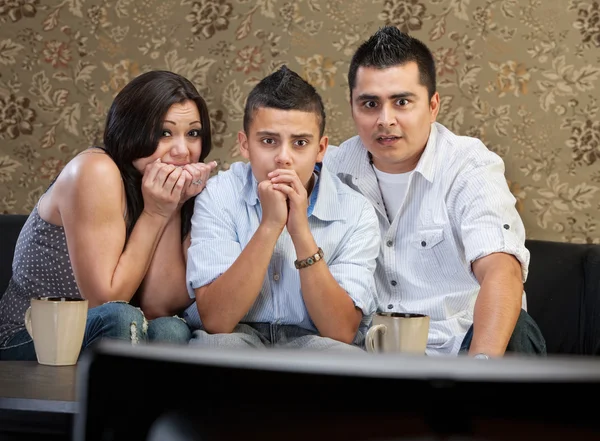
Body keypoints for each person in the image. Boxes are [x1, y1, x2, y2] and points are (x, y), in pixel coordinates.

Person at [323, 26, 546, 358]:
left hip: (464, 349)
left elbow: (502, 270)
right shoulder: (330, 168)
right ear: (352, 106)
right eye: (370, 104)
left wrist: (477, 373)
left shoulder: (469, 165)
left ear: (433, 106)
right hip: (369, 355)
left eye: (402, 102)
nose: (385, 120)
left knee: (518, 329)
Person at [0, 70, 217, 361]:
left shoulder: (167, 191)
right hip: (29, 338)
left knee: (171, 330)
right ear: (132, 132)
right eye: (164, 133)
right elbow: (106, 302)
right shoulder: (95, 171)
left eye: (193, 133)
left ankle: (145, 407)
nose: (183, 150)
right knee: (118, 315)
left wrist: (172, 206)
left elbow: (157, 306)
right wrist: (155, 213)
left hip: (107, 333)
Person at [183, 65, 380, 351]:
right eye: (268, 141)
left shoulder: (356, 211)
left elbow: (340, 331)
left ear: (321, 149)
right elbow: (216, 320)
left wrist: (300, 230)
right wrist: (270, 225)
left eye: (300, 143)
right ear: (245, 144)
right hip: (238, 335)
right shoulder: (219, 194)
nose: (283, 158)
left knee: (346, 361)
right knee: (216, 349)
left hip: (316, 341)